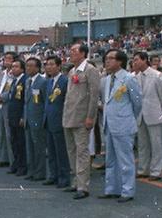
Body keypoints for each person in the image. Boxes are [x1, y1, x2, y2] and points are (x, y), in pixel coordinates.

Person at [98, 49, 142, 203]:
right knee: (110, 159)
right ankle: (112, 189)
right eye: (106, 58)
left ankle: (127, 190)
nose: (107, 61)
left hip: (123, 123)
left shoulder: (128, 79)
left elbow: (137, 103)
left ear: (120, 62)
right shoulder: (106, 79)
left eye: (111, 58)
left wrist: (128, 117)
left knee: (125, 159)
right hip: (109, 124)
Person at [62, 43, 100, 199]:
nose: (71, 53)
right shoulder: (72, 71)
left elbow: (94, 95)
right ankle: (76, 182)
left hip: (82, 117)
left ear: (83, 53)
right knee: (71, 151)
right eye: (70, 50)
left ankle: (83, 186)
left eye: (74, 51)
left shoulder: (91, 71)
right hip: (69, 116)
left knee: (82, 152)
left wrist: (90, 116)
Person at [133, 51, 162, 181]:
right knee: (143, 144)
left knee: (156, 144)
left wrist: (161, 111)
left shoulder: (157, 75)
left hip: (154, 113)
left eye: (136, 60)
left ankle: (156, 171)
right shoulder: (136, 77)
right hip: (140, 115)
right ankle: (143, 169)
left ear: (144, 60)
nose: (134, 62)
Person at [43, 56, 69, 188]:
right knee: (51, 151)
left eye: (52, 64)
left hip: (59, 120)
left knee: (61, 152)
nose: (49, 67)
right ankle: (53, 175)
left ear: (59, 66)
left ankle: (64, 177)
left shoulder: (65, 81)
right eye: (47, 65)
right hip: (48, 120)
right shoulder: (48, 81)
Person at [23, 57, 47, 181]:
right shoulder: (28, 81)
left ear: (37, 68)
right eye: (27, 66)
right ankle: (31, 170)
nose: (28, 68)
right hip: (28, 119)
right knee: (30, 148)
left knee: (39, 148)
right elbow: (26, 102)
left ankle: (40, 172)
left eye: (31, 66)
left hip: (37, 119)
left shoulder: (42, 82)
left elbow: (44, 102)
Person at [6, 59, 28, 176]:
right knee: (14, 141)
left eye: (16, 67)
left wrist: (23, 116)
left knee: (21, 142)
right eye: (12, 67)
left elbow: (25, 101)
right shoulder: (14, 81)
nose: (13, 68)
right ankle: (16, 163)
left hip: (19, 116)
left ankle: (22, 166)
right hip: (12, 115)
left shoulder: (24, 81)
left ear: (22, 69)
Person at [0, 52, 15, 168]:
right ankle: (3, 158)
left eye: (9, 58)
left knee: (9, 134)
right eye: (5, 58)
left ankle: (12, 161)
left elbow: (11, 90)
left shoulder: (14, 75)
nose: (7, 61)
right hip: (0, 106)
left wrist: (1, 97)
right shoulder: (2, 74)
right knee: (1, 133)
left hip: (8, 105)